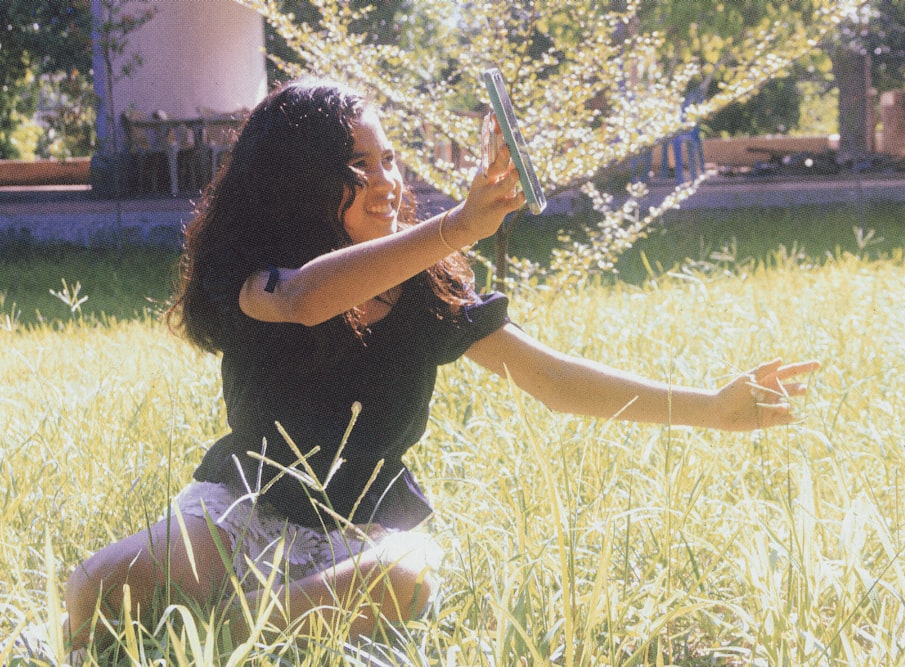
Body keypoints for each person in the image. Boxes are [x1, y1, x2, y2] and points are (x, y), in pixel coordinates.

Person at [63, 77, 819, 650]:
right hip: (243, 511)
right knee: (95, 585)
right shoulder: (254, 273)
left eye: (390, 158)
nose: (389, 180)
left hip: (363, 535)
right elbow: (304, 300)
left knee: (408, 574)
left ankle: (230, 634)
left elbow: (552, 381)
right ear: (299, 181)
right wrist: (458, 224)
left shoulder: (427, 293)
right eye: (359, 165)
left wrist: (711, 408)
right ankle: (246, 624)